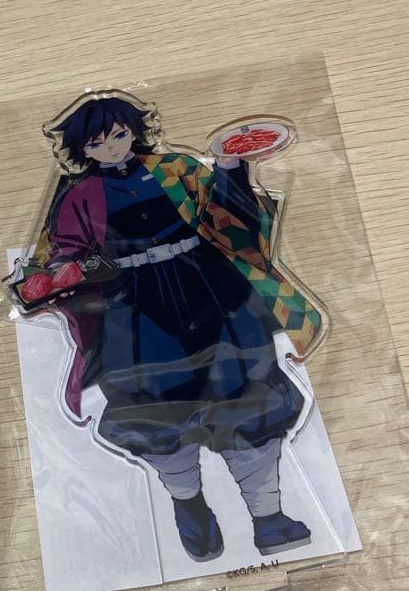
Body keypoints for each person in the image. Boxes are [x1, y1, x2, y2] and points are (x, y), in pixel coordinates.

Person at [22, 94, 321, 561]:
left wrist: (229, 167)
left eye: (119, 134)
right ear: (83, 149)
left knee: (247, 395)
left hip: (212, 290)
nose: (112, 147)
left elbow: (235, 221)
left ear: (135, 131)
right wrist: (69, 270)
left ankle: (269, 516)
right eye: (98, 143)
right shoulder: (78, 194)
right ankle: (190, 506)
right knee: (153, 409)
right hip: (133, 307)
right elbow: (61, 254)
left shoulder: (176, 168)